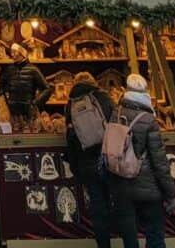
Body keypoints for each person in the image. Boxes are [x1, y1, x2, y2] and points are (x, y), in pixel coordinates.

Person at [109, 74, 175, 248]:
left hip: (121, 184)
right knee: (154, 233)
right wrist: (170, 193)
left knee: (129, 236)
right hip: (148, 188)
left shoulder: (115, 114)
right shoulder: (149, 120)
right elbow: (160, 162)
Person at [65, 72, 113, 248]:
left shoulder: (71, 103)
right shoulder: (103, 97)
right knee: (117, 200)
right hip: (108, 157)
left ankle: (103, 244)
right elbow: (116, 123)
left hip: (86, 161)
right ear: (94, 82)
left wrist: (75, 167)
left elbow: (70, 137)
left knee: (98, 204)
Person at [0, 43, 50, 123]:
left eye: (15, 52)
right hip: (12, 112)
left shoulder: (33, 70)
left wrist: (35, 103)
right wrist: (5, 100)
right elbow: (0, 86)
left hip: (28, 112)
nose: (12, 54)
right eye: (12, 52)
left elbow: (47, 89)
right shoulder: (9, 70)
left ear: (22, 53)